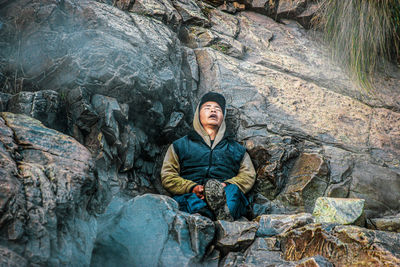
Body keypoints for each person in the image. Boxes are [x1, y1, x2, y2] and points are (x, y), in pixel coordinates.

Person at [161, 92, 256, 221]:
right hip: (192, 194)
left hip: (226, 193)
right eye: (207, 108)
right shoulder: (180, 145)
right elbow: (168, 175)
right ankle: (207, 217)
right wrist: (192, 187)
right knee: (189, 200)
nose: (213, 110)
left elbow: (248, 175)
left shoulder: (237, 149)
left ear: (223, 116)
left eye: (218, 109)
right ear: (198, 114)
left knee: (233, 191)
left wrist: (225, 185)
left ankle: (219, 215)